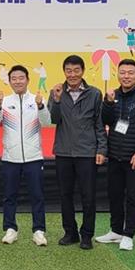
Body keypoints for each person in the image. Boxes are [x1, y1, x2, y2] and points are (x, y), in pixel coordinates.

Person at [48, 55, 106, 250]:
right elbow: (53, 120)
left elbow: (99, 123)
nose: (72, 74)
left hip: (87, 152)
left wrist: (101, 149)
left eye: (76, 70)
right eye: (68, 71)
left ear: (82, 71)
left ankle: (87, 235)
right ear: (64, 72)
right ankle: (70, 232)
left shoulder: (94, 93)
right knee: (65, 195)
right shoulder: (56, 92)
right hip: (63, 152)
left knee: (88, 196)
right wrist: (56, 100)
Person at [0, 65, 51, 246]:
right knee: (9, 196)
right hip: (10, 157)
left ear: (28, 80)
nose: (17, 81)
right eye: (14, 78)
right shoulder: (5, 101)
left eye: (21, 78)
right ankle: (10, 229)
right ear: (9, 81)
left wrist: (41, 106)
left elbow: (47, 122)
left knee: (37, 195)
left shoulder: (37, 100)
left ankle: (38, 231)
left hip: (34, 157)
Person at [96, 59, 135, 251]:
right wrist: (108, 103)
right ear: (117, 74)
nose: (126, 76)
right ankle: (115, 231)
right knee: (114, 195)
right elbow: (105, 121)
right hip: (114, 156)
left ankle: (128, 234)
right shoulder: (112, 95)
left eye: (130, 73)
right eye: (123, 72)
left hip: (134, 158)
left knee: (133, 198)